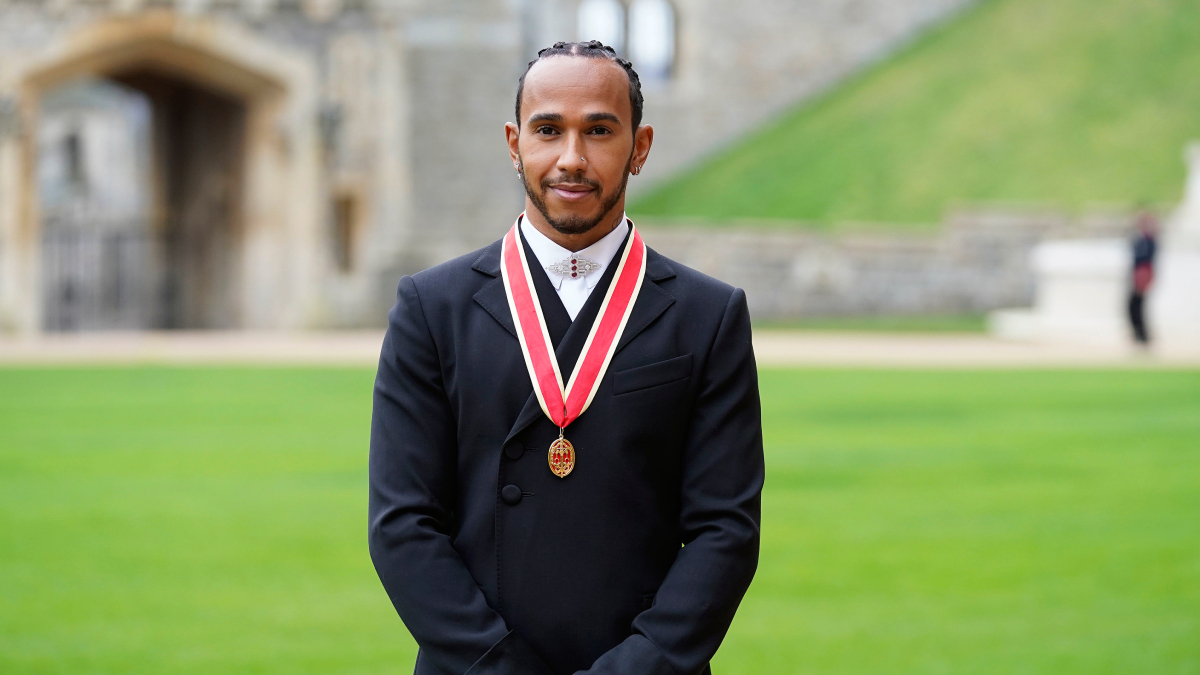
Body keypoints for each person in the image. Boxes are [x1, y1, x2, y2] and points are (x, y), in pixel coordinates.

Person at [368, 41, 764, 675]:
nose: (571, 158)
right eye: (548, 130)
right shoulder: (431, 307)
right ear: (514, 143)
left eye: (599, 131)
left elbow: (727, 530)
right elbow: (402, 525)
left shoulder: (708, 314)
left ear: (640, 147)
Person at [1128, 210, 1157, 345]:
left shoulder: (1148, 240)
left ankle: (1142, 334)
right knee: (1134, 305)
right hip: (1139, 273)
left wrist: (1142, 277)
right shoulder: (1142, 239)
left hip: (1142, 273)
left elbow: (1144, 261)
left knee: (1137, 305)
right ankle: (1139, 333)